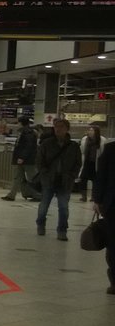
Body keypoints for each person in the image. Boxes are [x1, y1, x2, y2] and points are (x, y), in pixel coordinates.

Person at [36, 118, 82, 240]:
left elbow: (78, 163)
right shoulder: (46, 144)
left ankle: (62, 230)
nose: (58, 129)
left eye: (61, 126)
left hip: (65, 181)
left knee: (63, 207)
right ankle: (40, 223)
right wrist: (45, 174)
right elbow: (40, 161)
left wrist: (72, 175)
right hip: (49, 180)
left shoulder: (73, 146)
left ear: (67, 129)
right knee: (44, 206)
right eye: (56, 126)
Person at [88, 138, 115, 295]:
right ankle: (114, 280)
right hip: (112, 205)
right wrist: (97, 199)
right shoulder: (110, 150)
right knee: (113, 243)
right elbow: (101, 176)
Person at [2, 116, 42, 201]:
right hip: (23, 159)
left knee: (32, 178)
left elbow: (28, 146)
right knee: (18, 177)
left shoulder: (27, 133)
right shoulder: (24, 132)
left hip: (27, 160)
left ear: (21, 123)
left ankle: (39, 195)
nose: (17, 124)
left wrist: (22, 157)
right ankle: (11, 195)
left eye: (18, 122)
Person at [77, 123, 106, 202]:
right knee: (83, 178)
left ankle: (94, 196)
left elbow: (103, 152)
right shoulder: (85, 139)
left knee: (95, 180)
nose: (89, 132)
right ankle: (84, 196)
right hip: (86, 162)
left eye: (91, 130)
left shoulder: (102, 140)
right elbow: (82, 150)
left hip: (96, 163)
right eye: (89, 130)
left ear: (96, 131)